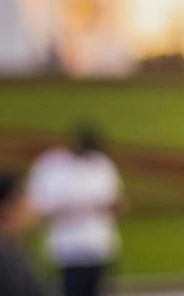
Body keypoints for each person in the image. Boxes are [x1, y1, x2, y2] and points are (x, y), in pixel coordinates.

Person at [25, 123, 126, 296]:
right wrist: (71, 207)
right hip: (67, 250)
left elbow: (120, 203)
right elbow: (35, 206)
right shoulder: (51, 165)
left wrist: (108, 206)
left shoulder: (101, 164)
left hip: (99, 247)